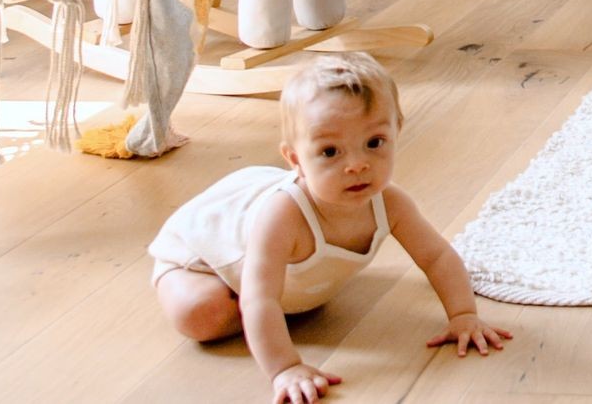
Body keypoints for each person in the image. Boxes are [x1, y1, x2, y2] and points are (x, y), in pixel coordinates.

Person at [148, 51, 511, 401]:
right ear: (295, 159)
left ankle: (278, 311)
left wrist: (464, 315)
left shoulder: (391, 203)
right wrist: (285, 367)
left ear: (396, 133)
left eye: (374, 143)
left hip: (281, 284)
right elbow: (259, 297)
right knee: (202, 316)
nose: (357, 165)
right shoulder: (282, 215)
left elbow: (437, 257)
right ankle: (244, 311)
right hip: (202, 257)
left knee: (278, 304)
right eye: (330, 152)